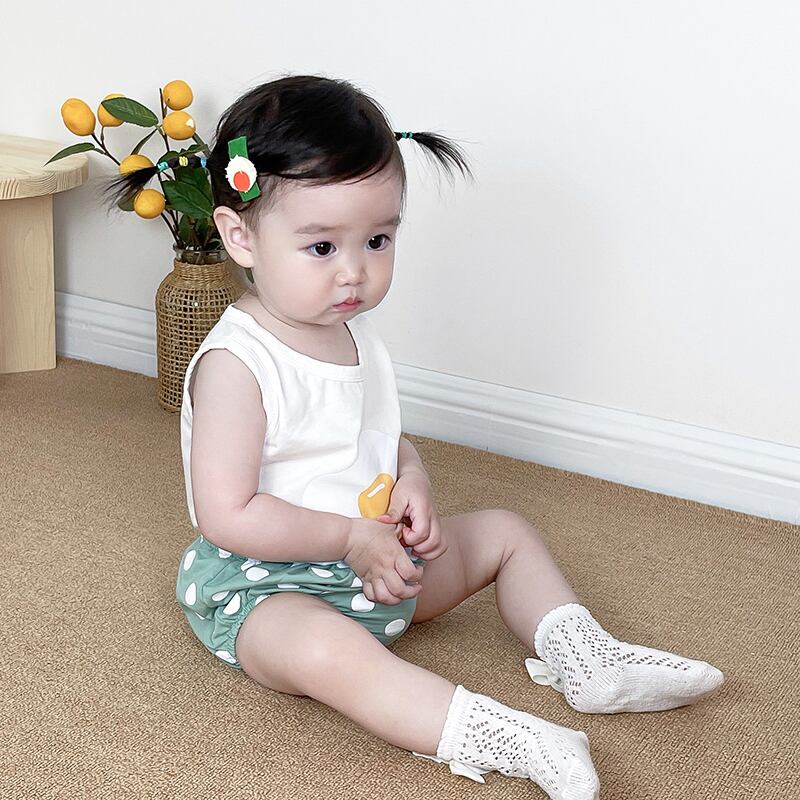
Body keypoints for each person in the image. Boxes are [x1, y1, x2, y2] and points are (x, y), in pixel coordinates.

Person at [160, 74, 723, 799]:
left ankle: (589, 661)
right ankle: (507, 737)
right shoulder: (238, 365)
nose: (355, 272)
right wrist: (349, 540)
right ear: (241, 235)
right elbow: (227, 513)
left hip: (378, 564)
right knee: (328, 653)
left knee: (506, 533)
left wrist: (413, 481)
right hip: (265, 585)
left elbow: (379, 438)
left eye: (377, 240)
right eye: (322, 247)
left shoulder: (350, 333)